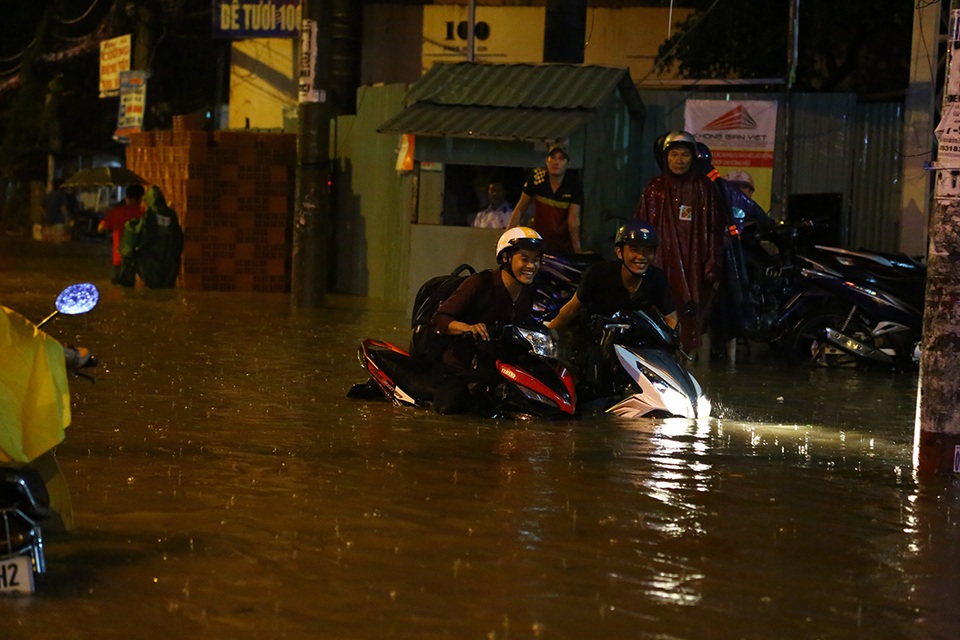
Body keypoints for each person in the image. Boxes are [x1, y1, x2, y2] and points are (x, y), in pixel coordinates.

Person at [430, 227, 544, 414]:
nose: (532, 266)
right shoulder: (479, 283)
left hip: (497, 368)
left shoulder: (528, 290)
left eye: (536, 260)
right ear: (506, 258)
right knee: (450, 410)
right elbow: (440, 318)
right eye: (525, 259)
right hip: (459, 368)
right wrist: (467, 328)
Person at [634, 130, 724, 357]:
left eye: (684, 155)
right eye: (674, 155)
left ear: (693, 157)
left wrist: (711, 263)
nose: (679, 160)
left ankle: (690, 360)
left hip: (694, 265)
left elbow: (713, 230)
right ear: (666, 157)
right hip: (660, 263)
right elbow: (642, 225)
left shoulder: (703, 187)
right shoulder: (654, 188)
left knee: (691, 312)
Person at [547, 220, 677, 331]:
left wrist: (671, 342)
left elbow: (672, 319)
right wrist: (549, 333)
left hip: (633, 345)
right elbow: (571, 309)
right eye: (634, 249)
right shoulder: (598, 273)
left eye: (648, 250)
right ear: (619, 252)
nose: (641, 256)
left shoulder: (657, 279)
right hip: (595, 341)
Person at [508, 143, 583, 255]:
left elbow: (573, 222)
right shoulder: (537, 177)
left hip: (564, 248)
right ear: (547, 160)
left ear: (568, 163)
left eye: (561, 158)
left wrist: (577, 250)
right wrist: (507, 235)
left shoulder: (574, 184)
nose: (556, 162)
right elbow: (521, 207)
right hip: (540, 245)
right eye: (553, 157)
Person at [118, 186, 184, 288]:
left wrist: (130, 226)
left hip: (152, 257)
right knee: (165, 285)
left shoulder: (149, 214)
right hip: (168, 256)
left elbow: (142, 232)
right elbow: (177, 234)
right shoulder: (171, 213)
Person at [98, 184, 145, 284]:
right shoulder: (142, 213)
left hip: (119, 258)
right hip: (137, 259)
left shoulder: (116, 212)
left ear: (126, 196)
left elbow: (100, 229)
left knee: (118, 288)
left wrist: (108, 217)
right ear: (139, 198)